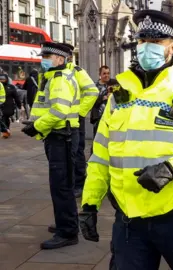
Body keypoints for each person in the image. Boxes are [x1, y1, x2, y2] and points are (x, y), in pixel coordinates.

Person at [79, 10, 173, 270]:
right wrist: (90, 203)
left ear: (172, 47)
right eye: (142, 41)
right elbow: (101, 154)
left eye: (156, 42)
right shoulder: (119, 96)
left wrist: (172, 169)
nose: (147, 47)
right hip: (128, 218)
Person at [22, 42, 81, 249]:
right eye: (43, 55)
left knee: (61, 185)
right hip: (59, 136)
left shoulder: (59, 80)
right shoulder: (54, 78)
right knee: (62, 185)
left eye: (47, 55)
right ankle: (66, 224)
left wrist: (36, 126)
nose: (43, 59)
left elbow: (58, 111)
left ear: (60, 59)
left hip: (61, 137)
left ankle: (67, 231)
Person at [61, 42, 99, 198]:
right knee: (65, 154)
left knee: (77, 152)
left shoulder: (77, 71)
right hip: (60, 120)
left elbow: (92, 92)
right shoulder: (55, 73)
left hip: (75, 120)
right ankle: (69, 182)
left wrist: (80, 113)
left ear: (69, 56)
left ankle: (79, 184)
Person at [90, 65, 111, 137]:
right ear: (100, 75)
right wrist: (103, 98)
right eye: (104, 73)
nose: (106, 75)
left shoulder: (112, 85)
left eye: (108, 73)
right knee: (97, 139)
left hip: (110, 118)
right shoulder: (94, 86)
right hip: (98, 118)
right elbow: (91, 102)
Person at [0, 74, 22, 138]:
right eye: (0, 79)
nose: (1, 80)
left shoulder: (11, 87)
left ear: (6, 79)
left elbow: (16, 97)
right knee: (3, 118)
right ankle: (6, 131)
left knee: (5, 118)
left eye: (3, 79)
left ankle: (6, 131)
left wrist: (19, 105)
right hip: (1, 105)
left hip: (8, 105)